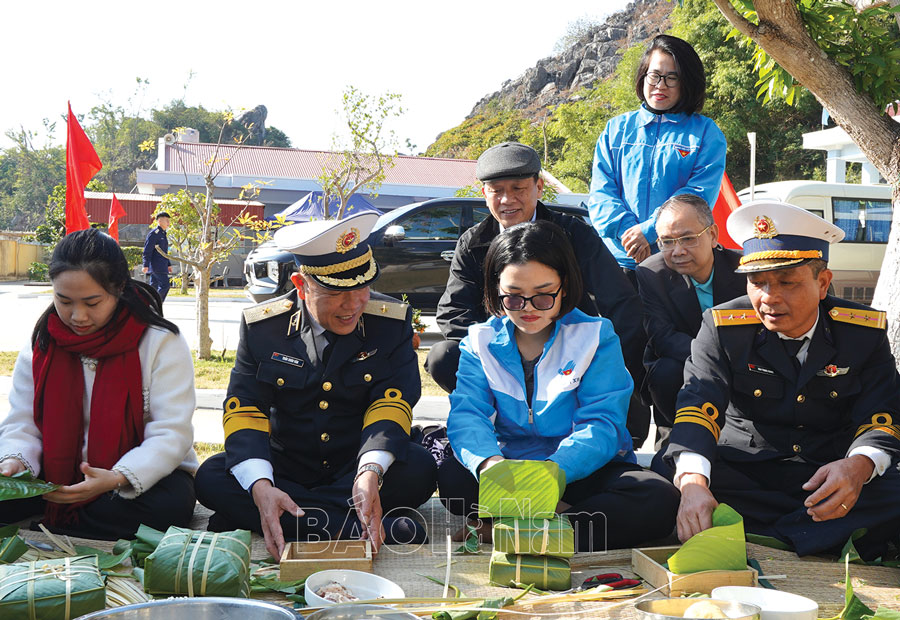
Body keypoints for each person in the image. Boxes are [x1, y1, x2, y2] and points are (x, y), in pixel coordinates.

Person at [655, 201, 900, 560]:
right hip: (747, 472)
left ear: (822, 283)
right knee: (668, 481)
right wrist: (693, 483)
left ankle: (758, 536)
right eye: (757, 283)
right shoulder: (722, 326)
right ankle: (813, 536)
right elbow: (698, 404)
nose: (769, 297)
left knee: (889, 486)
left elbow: (883, 413)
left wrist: (857, 467)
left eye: (787, 282)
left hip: (827, 472)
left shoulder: (861, 331)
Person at [195, 212, 437, 560]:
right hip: (286, 466)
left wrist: (369, 471)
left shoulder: (390, 323)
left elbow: (391, 403)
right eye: (336, 292)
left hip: (353, 465)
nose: (353, 304)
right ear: (300, 284)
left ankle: (282, 519)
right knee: (211, 477)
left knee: (419, 469)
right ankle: (347, 526)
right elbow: (246, 408)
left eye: (362, 287)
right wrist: (262, 486)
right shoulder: (263, 328)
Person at [438, 220, 679, 551]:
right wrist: (489, 463)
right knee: (453, 478)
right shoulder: (479, 341)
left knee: (658, 498)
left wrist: (555, 471)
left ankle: (513, 529)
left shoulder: (595, 336)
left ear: (564, 286)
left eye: (543, 296)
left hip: (579, 470)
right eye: (514, 297)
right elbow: (468, 416)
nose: (528, 309)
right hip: (510, 469)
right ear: (496, 289)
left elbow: (602, 424)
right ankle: (561, 524)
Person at [428, 142, 652, 446]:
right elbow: (454, 311)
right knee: (443, 356)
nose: (507, 200)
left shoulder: (573, 233)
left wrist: (608, 359)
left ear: (539, 186)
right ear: (484, 193)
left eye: (518, 188)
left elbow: (620, 301)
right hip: (500, 357)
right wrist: (494, 351)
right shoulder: (472, 242)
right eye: (496, 190)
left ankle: (597, 425)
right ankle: (499, 425)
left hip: (572, 354)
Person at [0, 228, 197, 540]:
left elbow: (171, 433)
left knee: (169, 505)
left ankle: (63, 519)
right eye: (64, 301)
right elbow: (22, 421)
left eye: (92, 302)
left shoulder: (160, 341)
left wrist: (117, 477)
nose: (78, 316)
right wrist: (14, 461)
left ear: (119, 288)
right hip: (54, 472)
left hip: (132, 475)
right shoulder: (44, 341)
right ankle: (74, 517)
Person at [587, 34, 727, 279]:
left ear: (687, 82)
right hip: (617, 261)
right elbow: (601, 192)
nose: (661, 85)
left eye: (672, 77)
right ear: (643, 76)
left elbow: (697, 196)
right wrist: (629, 232)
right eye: (655, 75)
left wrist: (649, 231)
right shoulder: (616, 129)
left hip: (677, 263)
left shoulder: (706, 133)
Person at [635, 194, 745, 449]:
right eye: (667, 242)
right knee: (665, 370)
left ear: (713, 235)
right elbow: (662, 337)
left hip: (740, 360)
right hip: (683, 363)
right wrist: (714, 358)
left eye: (687, 239)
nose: (678, 251)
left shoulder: (744, 270)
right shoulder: (651, 273)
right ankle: (674, 434)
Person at [142, 211, 172, 301]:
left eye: (169, 220)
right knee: (165, 285)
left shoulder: (163, 233)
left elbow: (164, 252)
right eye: (166, 220)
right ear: (159, 221)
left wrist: (168, 264)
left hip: (162, 264)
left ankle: (147, 304)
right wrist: (145, 264)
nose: (168, 223)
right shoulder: (154, 234)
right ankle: (156, 304)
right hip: (156, 265)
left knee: (153, 287)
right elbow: (147, 250)